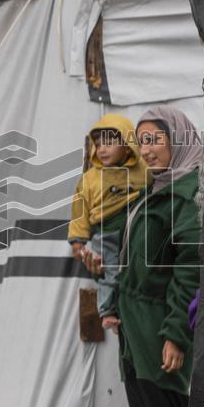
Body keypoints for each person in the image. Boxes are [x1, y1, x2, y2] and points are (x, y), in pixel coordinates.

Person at [83, 105, 202, 407]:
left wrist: (176, 334)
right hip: (135, 329)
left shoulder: (187, 195)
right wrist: (114, 301)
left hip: (160, 327)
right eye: (142, 141)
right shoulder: (153, 190)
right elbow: (130, 256)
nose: (147, 150)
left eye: (156, 140)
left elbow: (190, 270)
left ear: (178, 140)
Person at [68, 114, 151, 319]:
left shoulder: (143, 169)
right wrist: (78, 241)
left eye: (109, 143)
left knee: (141, 267)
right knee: (109, 270)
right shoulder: (90, 179)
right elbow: (80, 209)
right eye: (98, 145)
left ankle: (141, 307)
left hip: (137, 226)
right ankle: (107, 311)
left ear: (127, 146)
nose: (102, 149)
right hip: (106, 232)